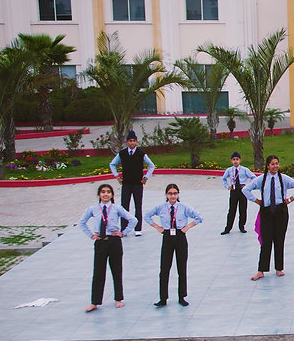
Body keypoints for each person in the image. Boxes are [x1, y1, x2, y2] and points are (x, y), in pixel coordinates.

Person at [243, 155, 294, 281]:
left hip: (280, 211)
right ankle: (261, 270)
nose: (275, 166)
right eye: (272, 164)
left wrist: (290, 199)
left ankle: (279, 268)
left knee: (279, 240)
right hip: (266, 212)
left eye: (277, 163)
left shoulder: (284, 179)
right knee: (266, 242)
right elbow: (246, 189)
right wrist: (256, 201)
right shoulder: (261, 179)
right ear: (267, 166)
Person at [78, 183, 136, 312]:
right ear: (99, 194)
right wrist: (91, 235)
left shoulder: (116, 208)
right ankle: (95, 302)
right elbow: (82, 222)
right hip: (100, 242)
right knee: (98, 272)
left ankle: (118, 298)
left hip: (114, 241)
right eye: (103, 192)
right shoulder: (93, 209)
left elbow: (133, 219)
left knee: (116, 270)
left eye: (108, 192)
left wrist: (123, 232)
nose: (105, 194)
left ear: (112, 195)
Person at [144, 183, 203, 307]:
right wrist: (157, 227)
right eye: (170, 193)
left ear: (178, 194)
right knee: (164, 268)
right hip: (167, 236)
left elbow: (199, 217)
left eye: (175, 193)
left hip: (180, 236)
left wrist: (187, 227)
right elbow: (147, 216)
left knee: (181, 267)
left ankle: (182, 296)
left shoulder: (183, 207)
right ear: (166, 194)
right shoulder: (160, 207)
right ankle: (163, 298)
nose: (172, 196)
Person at [109, 130, 155, 236]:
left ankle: (138, 229)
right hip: (126, 183)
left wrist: (146, 177)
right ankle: (124, 229)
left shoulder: (141, 153)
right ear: (126, 142)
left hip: (138, 184)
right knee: (124, 206)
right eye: (130, 141)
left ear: (137, 142)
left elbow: (151, 165)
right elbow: (112, 164)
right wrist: (117, 176)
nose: (132, 143)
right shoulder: (122, 154)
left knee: (138, 205)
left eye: (134, 141)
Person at [221, 151, 256, 235]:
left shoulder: (244, 169)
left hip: (242, 191)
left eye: (237, 159)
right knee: (232, 210)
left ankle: (242, 226)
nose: (235, 161)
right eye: (233, 159)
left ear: (240, 160)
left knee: (243, 209)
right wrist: (227, 186)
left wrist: (247, 186)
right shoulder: (229, 170)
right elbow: (224, 179)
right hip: (233, 191)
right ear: (231, 161)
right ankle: (228, 228)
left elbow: (253, 177)